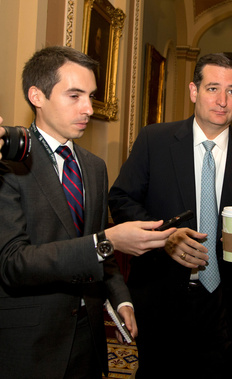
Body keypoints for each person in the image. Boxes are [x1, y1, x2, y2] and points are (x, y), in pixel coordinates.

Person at [0, 46, 175, 378]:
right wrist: (106, 241)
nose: (88, 108)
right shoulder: (8, 164)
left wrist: (121, 299)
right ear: (37, 95)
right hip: (30, 343)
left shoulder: (94, 167)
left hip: (89, 337)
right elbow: (14, 263)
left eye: (91, 96)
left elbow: (101, 254)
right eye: (74, 95)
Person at [108, 53, 232, 379]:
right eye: (213, 88)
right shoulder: (154, 140)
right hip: (162, 293)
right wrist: (166, 238)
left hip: (227, 301)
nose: (222, 100)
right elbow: (121, 199)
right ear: (194, 91)